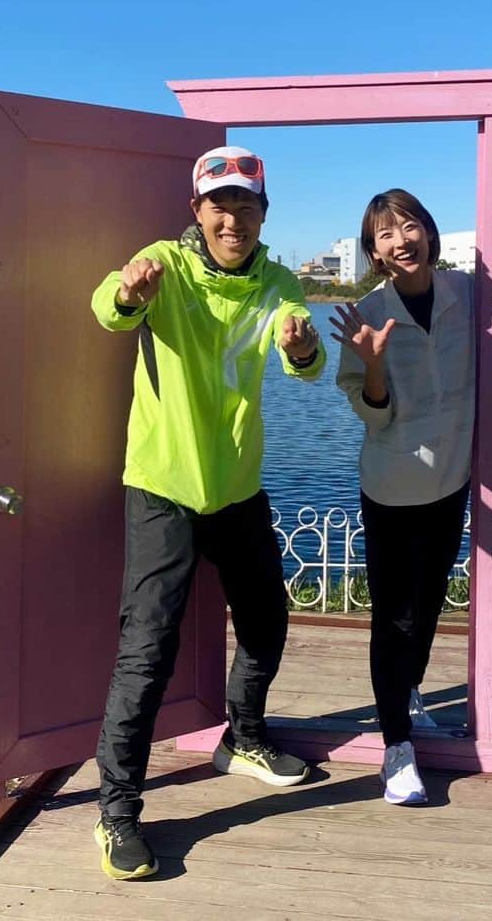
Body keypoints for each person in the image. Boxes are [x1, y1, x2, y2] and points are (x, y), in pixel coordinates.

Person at [89, 145, 325, 879]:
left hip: (238, 488)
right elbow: (107, 309)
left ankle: (244, 735)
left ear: (262, 214)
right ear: (197, 210)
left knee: (266, 619)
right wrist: (129, 293)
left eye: (247, 206)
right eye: (219, 205)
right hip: (162, 485)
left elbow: (304, 362)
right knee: (148, 650)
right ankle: (117, 814)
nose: (233, 218)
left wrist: (306, 345)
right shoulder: (164, 262)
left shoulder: (277, 282)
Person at [330, 188, 492, 806]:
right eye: (386, 234)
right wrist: (376, 365)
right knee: (396, 615)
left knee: (432, 598)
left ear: (430, 233)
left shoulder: (470, 295)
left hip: (451, 476)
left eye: (409, 225)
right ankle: (396, 748)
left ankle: (407, 689)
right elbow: (373, 414)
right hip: (391, 483)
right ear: (374, 252)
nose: (401, 240)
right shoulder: (365, 313)